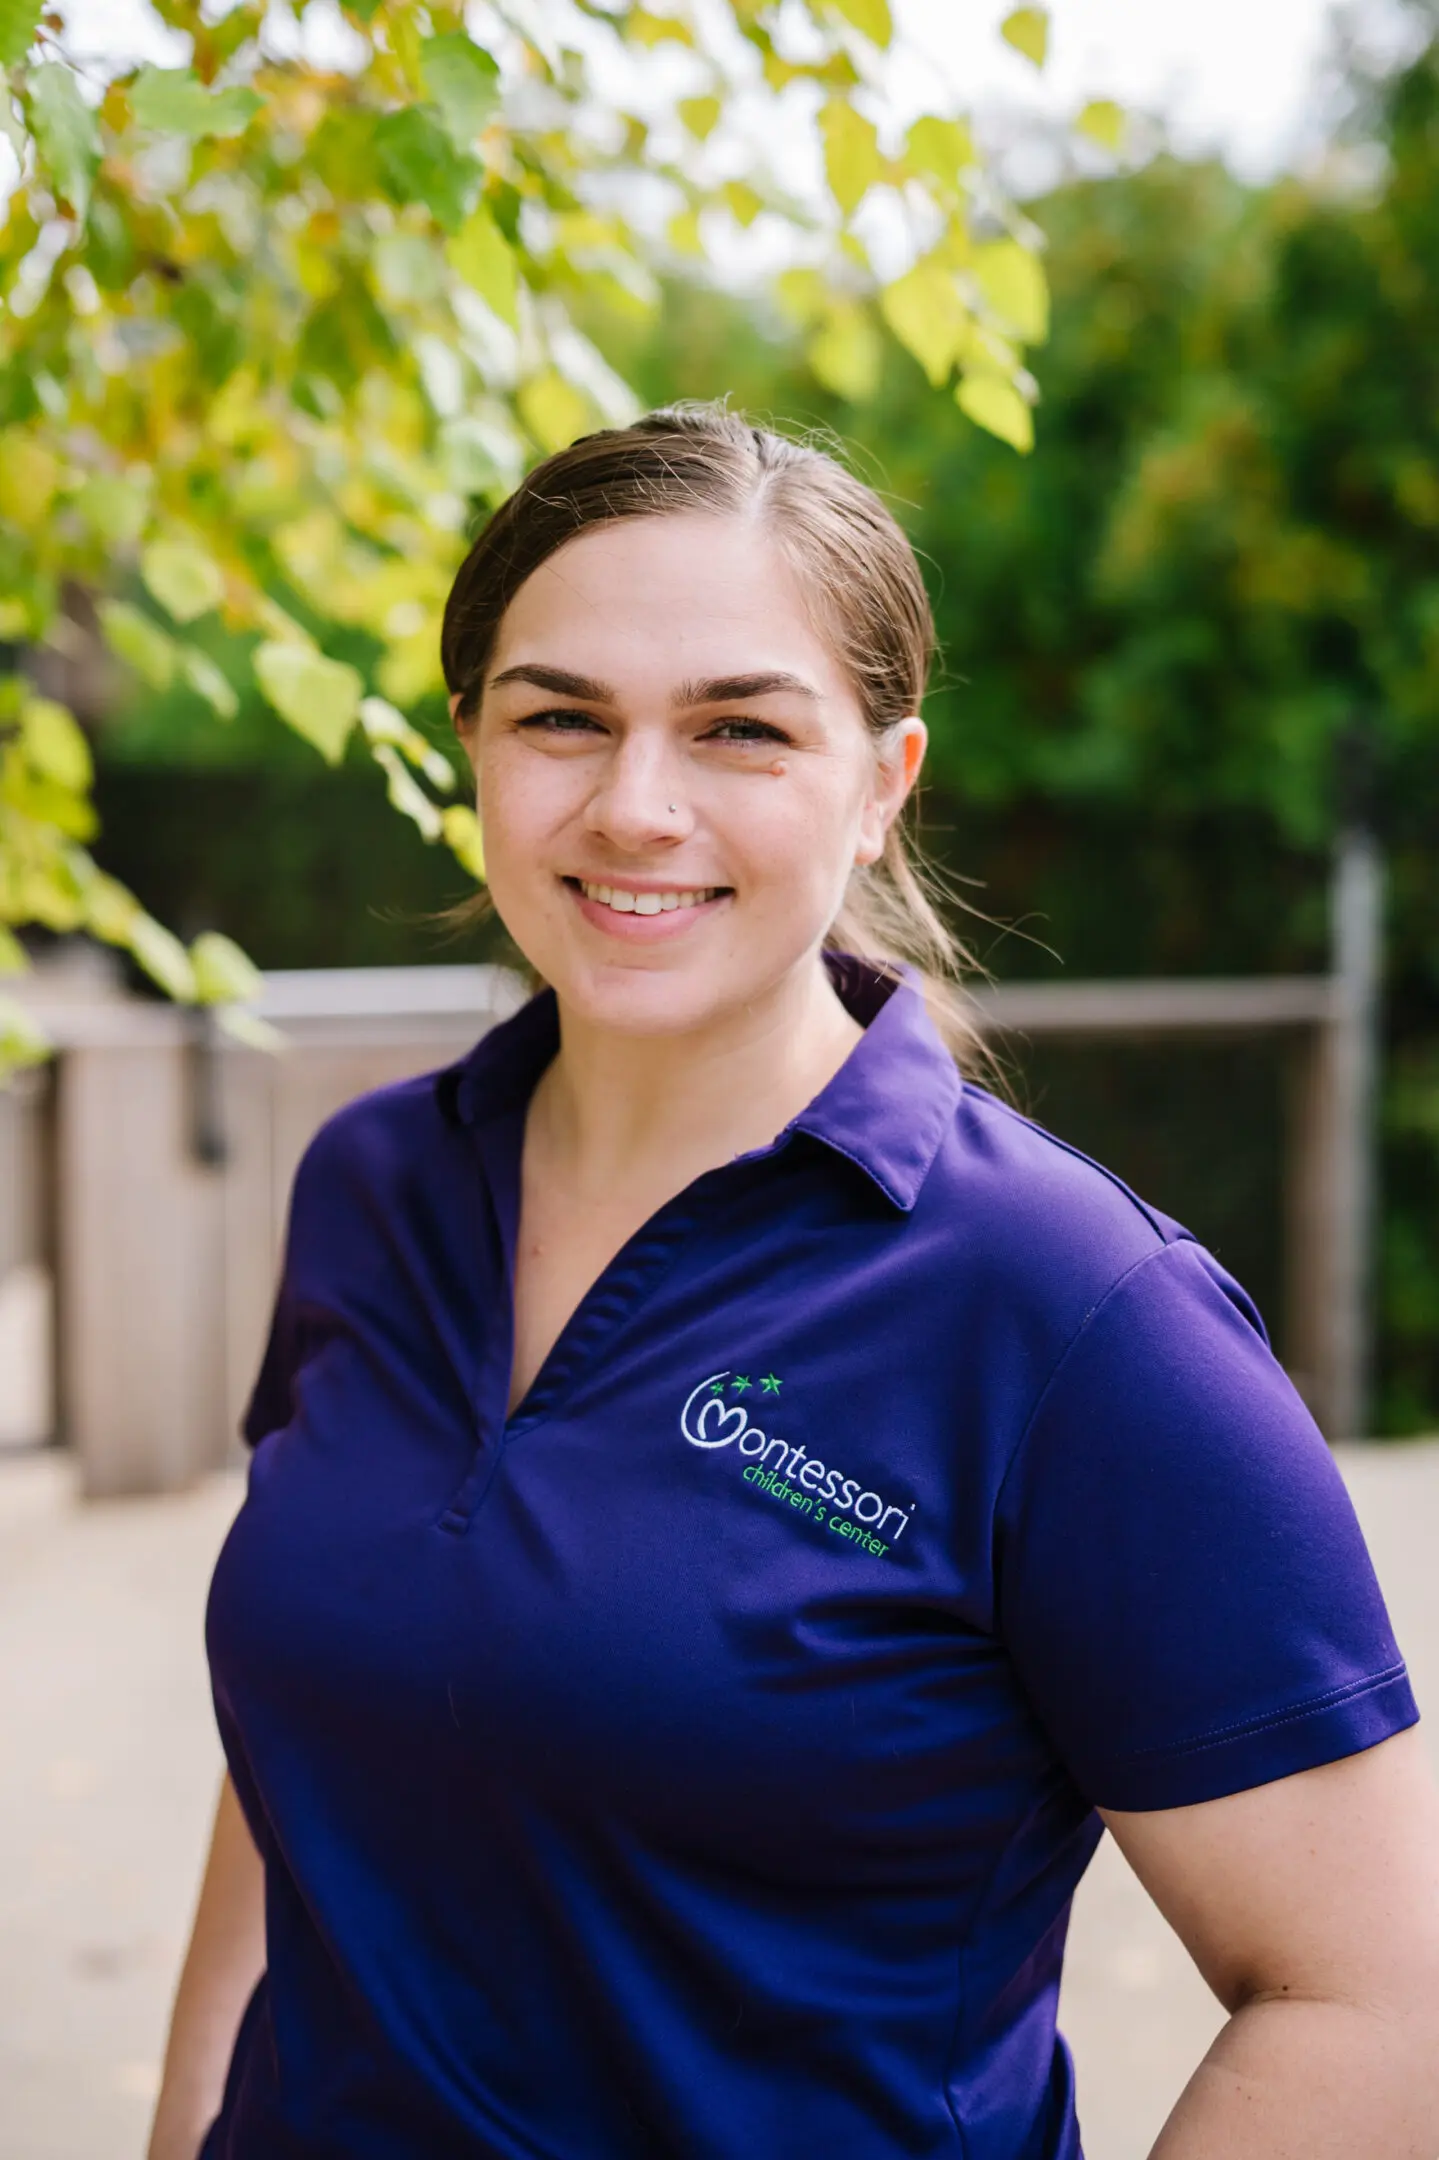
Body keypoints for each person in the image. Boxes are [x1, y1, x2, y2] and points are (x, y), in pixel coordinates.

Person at [149, 404, 1439, 2160]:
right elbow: (311, 1731)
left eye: (739, 728)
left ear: (881, 788)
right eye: (560, 720)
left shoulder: (1074, 1318)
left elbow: (1374, 1999)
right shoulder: (370, 1184)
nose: (634, 805)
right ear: (473, 746)